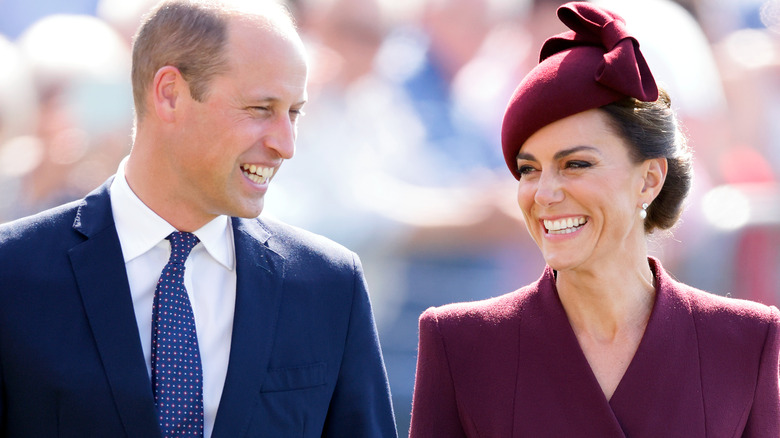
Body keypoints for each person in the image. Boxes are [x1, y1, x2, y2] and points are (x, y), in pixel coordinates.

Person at [0, 0, 397, 437]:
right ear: (170, 93)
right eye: (261, 109)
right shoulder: (12, 273)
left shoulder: (328, 285)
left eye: (294, 112)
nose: (286, 144)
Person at [409, 2, 780, 437]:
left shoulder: (744, 340)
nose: (543, 194)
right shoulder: (460, 343)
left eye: (576, 164)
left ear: (649, 179)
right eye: (528, 169)